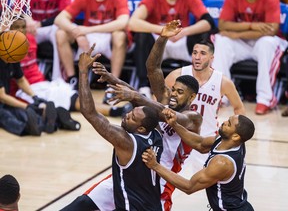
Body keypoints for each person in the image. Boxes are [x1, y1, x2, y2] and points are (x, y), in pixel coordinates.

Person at [61, 21, 202, 211]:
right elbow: (153, 68)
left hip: (160, 177)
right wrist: (162, 38)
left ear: (192, 97)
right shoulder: (165, 100)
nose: (174, 95)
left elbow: (167, 115)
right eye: (174, 90)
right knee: (83, 203)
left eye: (180, 92)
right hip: (137, 162)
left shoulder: (193, 117)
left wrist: (134, 95)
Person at [76, 44, 164, 210]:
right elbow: (137, 100)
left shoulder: (126, 142)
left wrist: (82, 71)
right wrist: (111, 78)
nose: (126, 116)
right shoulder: (156, 134)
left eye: (131, 118)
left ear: (141, 129)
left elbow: (89, 112)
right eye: (130, 112)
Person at [157, 20, 245, 183]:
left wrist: (232, 135)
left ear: (212, 58)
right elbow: (158, 102)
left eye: (202, 53)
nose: (197, 57)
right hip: (178, 137)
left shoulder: (223, 81)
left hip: (206, 141)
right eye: (195, 52)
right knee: (169, 181)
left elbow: (239, 109)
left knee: (205, 185)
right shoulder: (177, 75)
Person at [10, 18, 132, 118]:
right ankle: (54, 119)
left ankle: (116, 111)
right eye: (16, 27)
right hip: (24, 91)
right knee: (48, 105)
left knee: (77, 99)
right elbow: (16, 79)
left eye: (23, 27)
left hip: (43, 84)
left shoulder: (30, 39)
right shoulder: (6, 48)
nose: (21, 31)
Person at [143, 108, 255, 211]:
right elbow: (200, 144)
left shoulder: (222, 163)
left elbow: (189, 187)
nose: (224, 122)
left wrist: (155, 165)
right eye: (227, 120)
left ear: (235, 137)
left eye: (229, 124)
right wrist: (175, 125)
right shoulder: (229, 140)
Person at [212, 0, 288, 115]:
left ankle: (265, 99)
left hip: (265, 41)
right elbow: (222, 25)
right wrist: (251, 25)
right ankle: (221, 94)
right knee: (221, 39)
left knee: (267, 42)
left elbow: (272, 30)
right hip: (243, 42)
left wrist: (237, 34)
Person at [128, 0, 216, 98]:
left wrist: (184, 31)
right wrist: (164, 30)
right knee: (141, 36)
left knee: (204, 34)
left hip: (181, 39)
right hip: (159, 41)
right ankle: (144, 87)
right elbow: (133, 22)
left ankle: (202, 87)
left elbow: (209, 22)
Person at [54, 0, 130, 92]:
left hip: (107, 35)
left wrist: (88, 30)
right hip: (87, 37)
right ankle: (72, 79)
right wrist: (77, 33)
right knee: (60, 34)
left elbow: (123, 22)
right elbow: (59, 19)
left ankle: (113, 84)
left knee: (120, 36)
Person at [25, 0, 71, 81]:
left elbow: (63, 16)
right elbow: (19, 9)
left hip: (53, 25)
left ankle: (58, 78)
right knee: (21, 34)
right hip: (33, 26)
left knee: (59, 33)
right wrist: (29, 21)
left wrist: (41, 24)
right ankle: (24, 75)